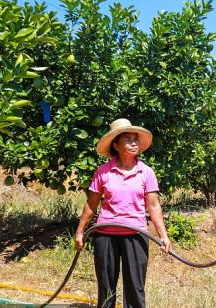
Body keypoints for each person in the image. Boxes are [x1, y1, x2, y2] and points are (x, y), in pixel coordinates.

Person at [74, 118, 171, 308]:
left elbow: (154, 206)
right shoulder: (103, 171)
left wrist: (164, 236)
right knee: (106, 287)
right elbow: (91, 204)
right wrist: (80, 232)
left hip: (136, 236)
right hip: (105, 236)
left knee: (135, 288)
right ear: (116, 145)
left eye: (136, 139)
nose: (134, 143)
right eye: (128, 139)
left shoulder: (146, 172)